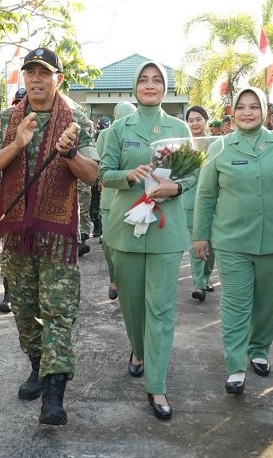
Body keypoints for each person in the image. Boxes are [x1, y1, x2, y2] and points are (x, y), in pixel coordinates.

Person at [0, 47, 98, 426]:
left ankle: (54, 393)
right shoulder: (4, 119)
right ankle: (37, 366)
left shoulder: (77, 120)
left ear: (57, 78)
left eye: (44, 73)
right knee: (26, 312)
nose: (36, 79)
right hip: (16, 233)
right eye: (30, 72)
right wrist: (18, 144)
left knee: (59, 313)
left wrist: (71, 154)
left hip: (57, 236)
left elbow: (92, 175)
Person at [193, 86, 273, 395]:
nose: (247, 112)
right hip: (232, 240)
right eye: (241, 107)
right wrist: (200, 235)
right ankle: (235, 365)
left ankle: (259, 348)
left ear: (265, 112)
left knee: (268, 303)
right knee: (235, 303)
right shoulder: (220, 148)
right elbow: (206, 195)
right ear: (233, 114)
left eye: (254, 107)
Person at [99, 61, 195, 421]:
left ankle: (156, 384)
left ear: (166, 88)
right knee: (133, 306)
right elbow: (104, 174)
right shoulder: (117, 129)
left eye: (157, 80)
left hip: (165, 231)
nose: (150, 85)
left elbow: (196, 171)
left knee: (161, 309)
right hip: (126, 228)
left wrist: (178, 186)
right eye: (144, 79)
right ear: (135, 87)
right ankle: (138, 350)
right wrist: (128, 174)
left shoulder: (179, 127)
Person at [97, 102, 136, 301]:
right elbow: (101, 167)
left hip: (134, 196)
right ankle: (114, 280)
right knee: (109, 243)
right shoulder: (105, 135)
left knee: (129, 242)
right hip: (111, 196)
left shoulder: (139, 132)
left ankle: (128, 282)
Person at [183, 105, 215, 302]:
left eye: (198, 119)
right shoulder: (183, 145)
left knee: (211, 242)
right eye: (191, 120)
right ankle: (198, 284)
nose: (194, 123)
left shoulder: (217, 144)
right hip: (189, 199)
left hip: (214, 199)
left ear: (206, 121)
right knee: (195, 241)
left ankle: (206, 276)